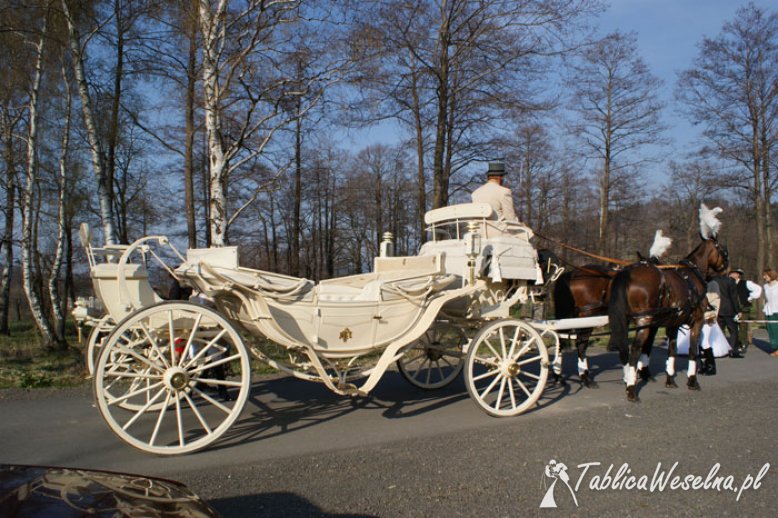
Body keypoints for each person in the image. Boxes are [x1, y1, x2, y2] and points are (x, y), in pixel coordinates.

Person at [729, 268, 762, 350]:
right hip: (732, 308)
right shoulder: (729, 284)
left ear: (738, 274)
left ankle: (742, 343)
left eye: (734, 273)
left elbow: (758, 289)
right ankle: (734, 343)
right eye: (731, 273)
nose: (732, 275)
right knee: (733, 327)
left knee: (743, 326)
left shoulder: (746, 283)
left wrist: (750, 297)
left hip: (744, 308)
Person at [713, 269, 742, 358]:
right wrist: (738, 310)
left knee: (720, 331)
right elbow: (733, 297)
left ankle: (720, 350)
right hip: (729, 309)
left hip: (717, 308)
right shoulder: (730, 281)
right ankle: (733, 350)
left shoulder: (713, 281)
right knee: (733, 331)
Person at [761, 268, 778, 356]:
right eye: (764, 275)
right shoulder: (765, 286)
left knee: (776, 329)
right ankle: (775, 347)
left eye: (766, 275)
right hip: (769, 310)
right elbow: (766, 298)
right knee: (771, 329)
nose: (764, 277)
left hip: (777, 309)